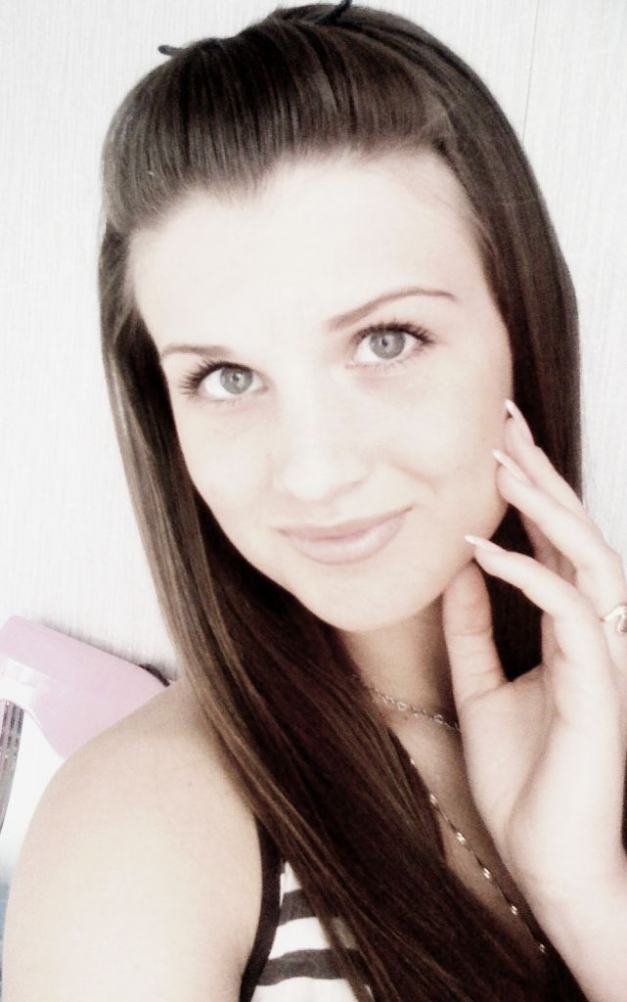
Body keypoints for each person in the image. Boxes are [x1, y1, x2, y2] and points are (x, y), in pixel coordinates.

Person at [3, 2, 627, 1000]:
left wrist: (589, 900)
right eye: (226, 378)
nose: (313, 472)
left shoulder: (603, 718)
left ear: (520, 325)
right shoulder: (142, 833)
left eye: (386, 340)